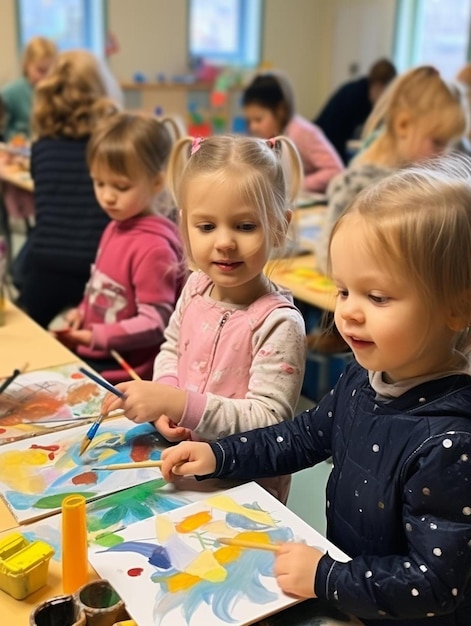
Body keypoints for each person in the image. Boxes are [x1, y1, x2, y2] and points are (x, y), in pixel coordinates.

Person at [159, 156, 471, 626]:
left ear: (457, 309)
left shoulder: (451, 444)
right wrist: (219, 456)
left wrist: (325, 577)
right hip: (350, 596)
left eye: (378, 297)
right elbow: (301, 437)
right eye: (344, 291)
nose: (347, 313)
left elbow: (431, 583)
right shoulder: (363, 377)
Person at [102, 134, 307, 503]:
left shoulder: (278, 323)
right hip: (181, 470)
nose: (224, 242)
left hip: (241, 491)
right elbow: (171, 348)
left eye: (245, 226)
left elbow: (269, 422)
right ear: (185, 225)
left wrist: (179, 402)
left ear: (279, 226)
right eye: (207, 226)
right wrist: (167, 399)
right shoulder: (196, 287)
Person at [53, 112, 186, 383]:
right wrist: (81, 312)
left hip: (125, 374)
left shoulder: (154, 249)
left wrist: (96, 336)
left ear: (157, 182)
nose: (107, 196)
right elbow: (100, 286)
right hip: (98, 354)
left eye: (121, 186)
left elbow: (155, 323)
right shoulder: (116, 225)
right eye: (99, 183)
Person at [315, 65, 467, 277]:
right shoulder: (359, 183)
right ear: (403, 125)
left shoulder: (431, 182)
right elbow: (328, 258)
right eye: (438, 143)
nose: (445, 155)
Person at [16, 49, 122, 328]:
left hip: (46, 264)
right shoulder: (110, 150)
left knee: (24, 333)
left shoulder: (42, 148)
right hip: (99, 267)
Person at [242, 72, 343, 194]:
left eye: (258, 119)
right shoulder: (268, 138)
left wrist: (298, 185)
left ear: (281, 110)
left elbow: (335, 169)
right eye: (249, 120)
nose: (253, 127)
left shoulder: (302, 132)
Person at [314, 58, 397, 164]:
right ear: (378, 86)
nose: (385, 100)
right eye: (385, 93)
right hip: (325, 143)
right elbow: (334, 138)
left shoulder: (364, 95)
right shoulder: (353, 97)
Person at [0, 36, 57, 141]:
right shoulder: (9, 93)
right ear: (26, 65)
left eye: (51, 71)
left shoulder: (57, 93)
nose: (47, 77)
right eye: (41, 71)